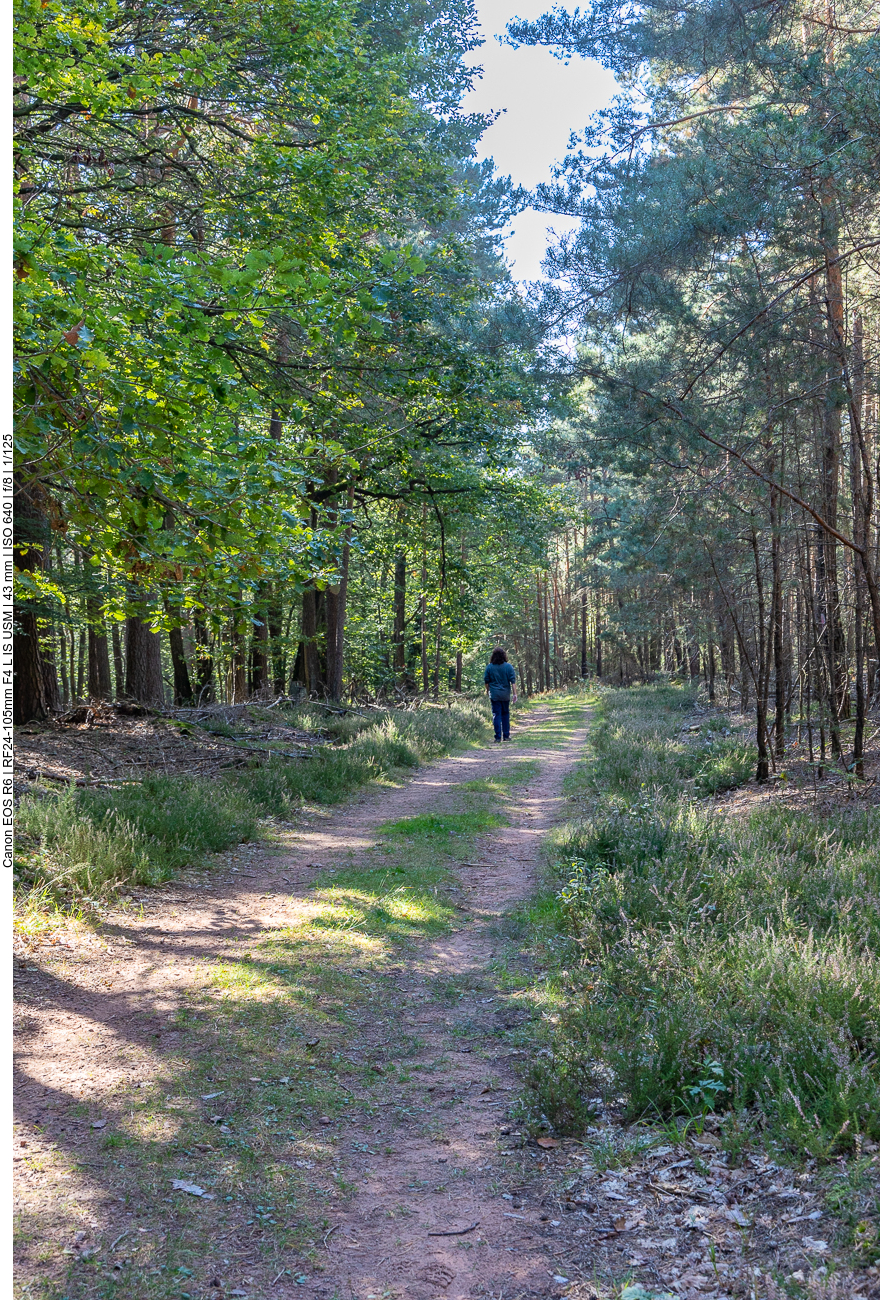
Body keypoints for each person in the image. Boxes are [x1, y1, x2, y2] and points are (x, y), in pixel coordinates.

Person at [484, 647, 517, 742]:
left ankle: (498, 737)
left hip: (494, 694)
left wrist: (488, 690)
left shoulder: (489, 667)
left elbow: (486, 681)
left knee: (496, 715)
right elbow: (513, 681)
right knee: (505, 714)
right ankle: (506, 736)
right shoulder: (508, 667)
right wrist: (515, 694)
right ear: (504, 656)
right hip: (505, 695)